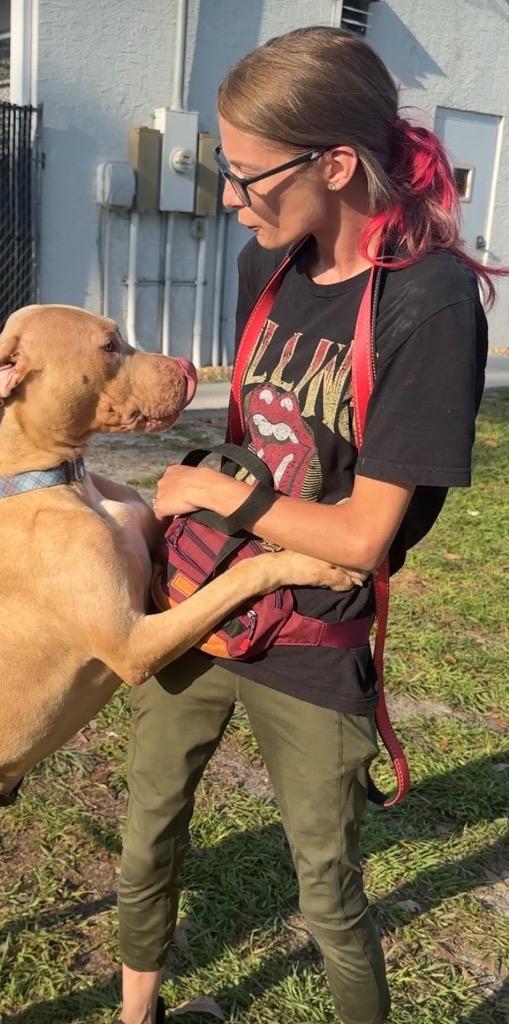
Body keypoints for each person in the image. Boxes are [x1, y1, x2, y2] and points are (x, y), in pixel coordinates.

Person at [112, 26, 501, 1024]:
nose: (233, 202)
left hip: (313, 641)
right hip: (204, 606)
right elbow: (265, 442)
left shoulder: (429, 300)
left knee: (326, 890)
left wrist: (214, 496)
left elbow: (364, 534)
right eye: (221, 173)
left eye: (246, 178)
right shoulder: (268, 268)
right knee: (147, 831)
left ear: (334, 164)